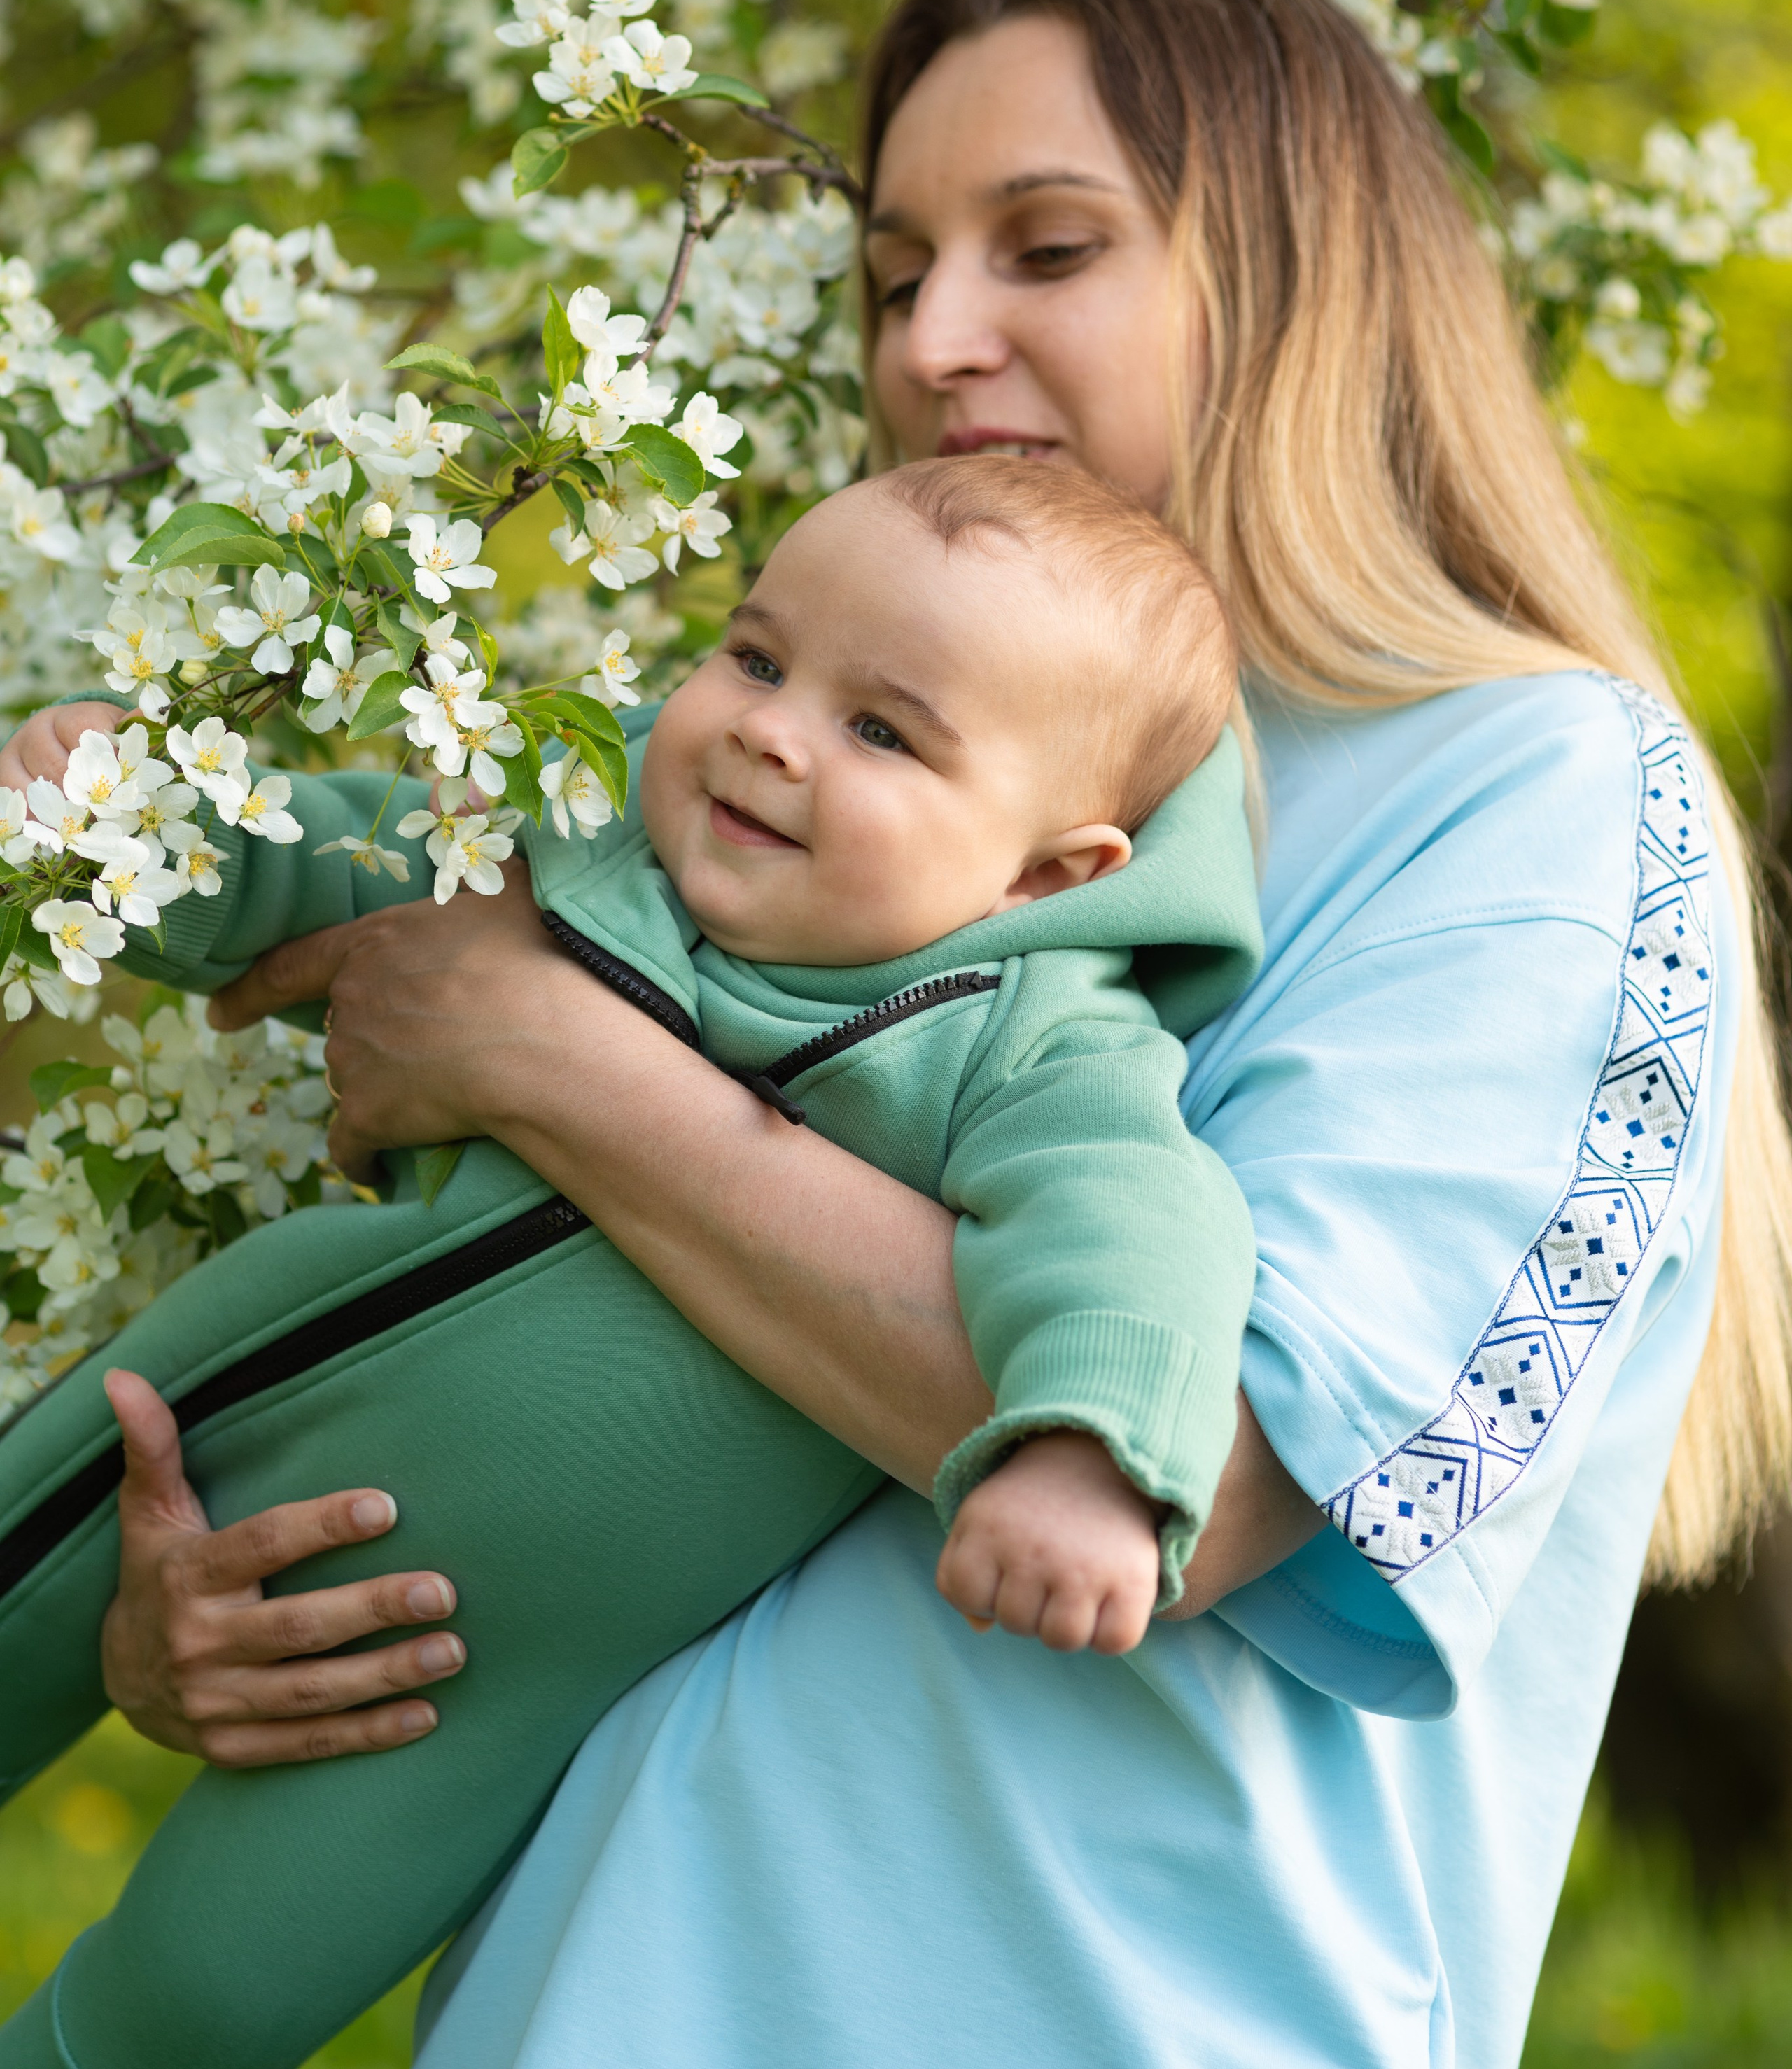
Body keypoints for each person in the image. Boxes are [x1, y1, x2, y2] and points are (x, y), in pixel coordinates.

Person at [74, 0, 1792, 2069]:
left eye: (1045, 246)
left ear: (1301, 275)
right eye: (894, 278)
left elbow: (1218, 1477)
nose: (935, 340)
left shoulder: (1523, 779)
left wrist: (538, 1046)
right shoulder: (804, 770)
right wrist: (237, 1605)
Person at [0, 456, 1261, 2069]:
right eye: (754, 655)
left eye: (881, 730)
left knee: (198, 1999)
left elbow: (1137, 1226)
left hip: (457, 1678)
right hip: (208, 1419)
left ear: (1050, 872)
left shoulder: (1027, 1051)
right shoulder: (576, 859)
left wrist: (1089, 1450)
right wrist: (136, 822)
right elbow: (346, 862)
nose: (769, 726)